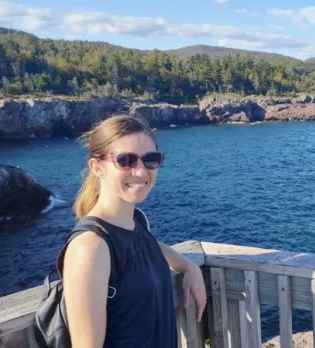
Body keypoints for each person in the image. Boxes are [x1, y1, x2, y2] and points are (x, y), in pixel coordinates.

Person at [60, 113, 206, 347]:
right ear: (97, 167)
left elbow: (147, 249)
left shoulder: (135, 223)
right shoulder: (89, 247)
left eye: (150, 159)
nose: (140, 171)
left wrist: (189, 267)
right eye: (126, 160)